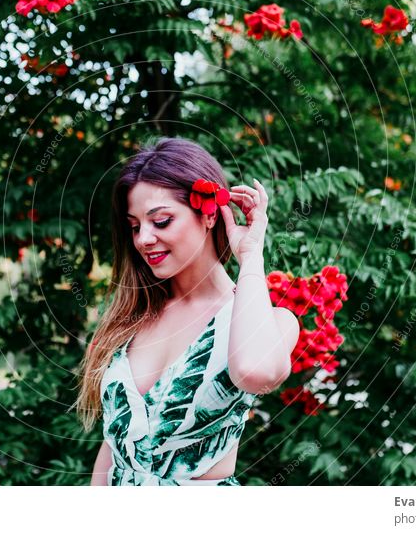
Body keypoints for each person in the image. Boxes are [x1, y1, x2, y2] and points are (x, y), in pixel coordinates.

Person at [74, 137, 300, 485]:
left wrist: (251, 255)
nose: (143, 239)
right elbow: (114, 446)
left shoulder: (273, 322)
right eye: (135, 226)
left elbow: (256, 371)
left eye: (160, 221)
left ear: (208, 215)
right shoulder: (133, 316)